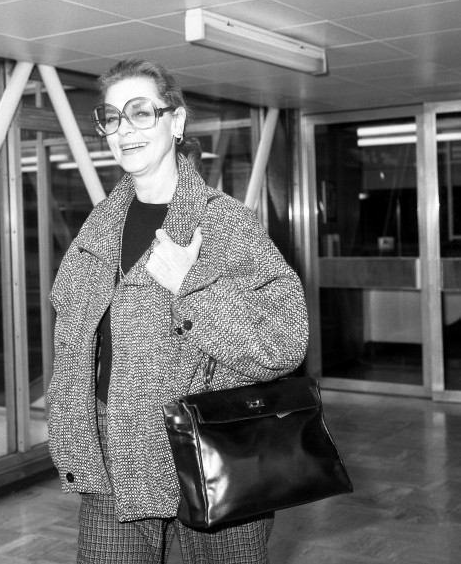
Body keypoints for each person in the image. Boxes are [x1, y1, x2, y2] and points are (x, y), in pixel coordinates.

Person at [47, 58, 309, 564]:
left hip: (205, 454)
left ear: (177, 121)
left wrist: (190, 288)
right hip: (114, 454)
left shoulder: (224, 223)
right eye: (112, 117)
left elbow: (284, 341)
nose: (125, 130)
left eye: (141, 113)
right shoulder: (98, 227)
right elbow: (77, 339)